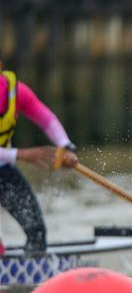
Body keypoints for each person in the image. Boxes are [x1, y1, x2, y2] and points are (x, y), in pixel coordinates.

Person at [0, 65, 78, 255]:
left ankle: (29, 277)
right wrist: (21, 155)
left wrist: (65, 146)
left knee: (36, 232)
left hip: (2, 170)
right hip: (7, 161)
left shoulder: (14, 92)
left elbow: (46, 118)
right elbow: (21, 155)